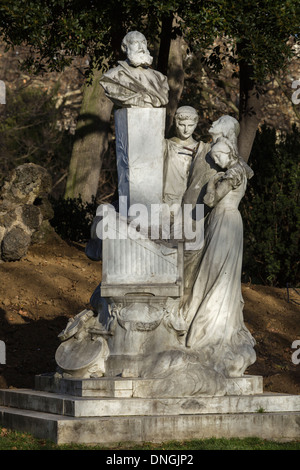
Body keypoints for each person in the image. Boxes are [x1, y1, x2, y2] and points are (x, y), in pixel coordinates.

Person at [182, 137, 256, 378]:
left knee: (214, 274)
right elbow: (250, 170)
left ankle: (208, 328)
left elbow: (210, 200)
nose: (216, 163)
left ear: (228, 153)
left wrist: (211, 183)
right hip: (229, 223)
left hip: (224, 223)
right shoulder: (241, 168)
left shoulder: (231, 174)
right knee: (216, 273)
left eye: (218, 158)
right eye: (214, 160)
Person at [99, 31, 169, 108]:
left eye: (143, 42)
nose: (141, 47)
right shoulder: (113, 76)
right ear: (124, 47)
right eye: (135, 43)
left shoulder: (160, 78)